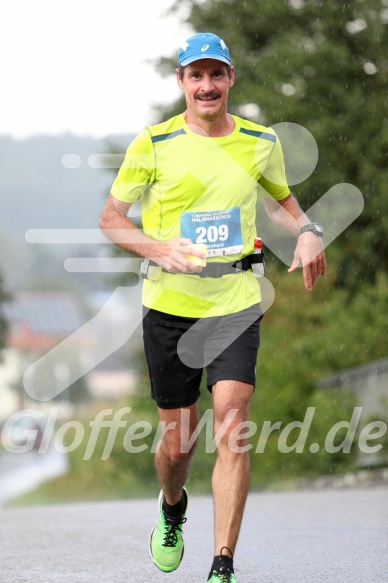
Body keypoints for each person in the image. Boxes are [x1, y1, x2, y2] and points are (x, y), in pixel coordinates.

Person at [100, 31, 326, 583]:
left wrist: (308, 231)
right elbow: (111, 219)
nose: (207, 85)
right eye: (195, 75)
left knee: (232, 421)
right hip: (170, 306)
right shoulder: (152, 144)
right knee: (179, 443)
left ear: (230, 81)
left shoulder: (258, 140)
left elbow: (281, 203)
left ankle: (223, 563)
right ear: (181, 82)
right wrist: (159, 248)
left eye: (216, 74)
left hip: (235, 300)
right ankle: (172, 505)